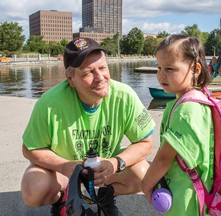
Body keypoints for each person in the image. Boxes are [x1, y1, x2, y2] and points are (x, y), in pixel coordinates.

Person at [20, 37, 156, 216]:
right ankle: (63, 199)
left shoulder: (125, 96)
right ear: (70, 78)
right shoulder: (48, 104)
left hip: (105, 168)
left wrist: (115, 163)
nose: (100, 78)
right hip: (64, 172)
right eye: (88, 73)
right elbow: (30, 148)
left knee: (144, 173)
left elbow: (145, 142)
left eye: (103, 68)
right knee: (33, 189)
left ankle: (105, 197)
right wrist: (65, 166)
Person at [142, 34, 214, 215]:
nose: (161, 75)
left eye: (170, 68)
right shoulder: (198, 98)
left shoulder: (187, 110)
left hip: (187, 196)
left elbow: (165, 157)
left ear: (195, 69)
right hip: (192, 189)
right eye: (158, 67)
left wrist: (146, 184)